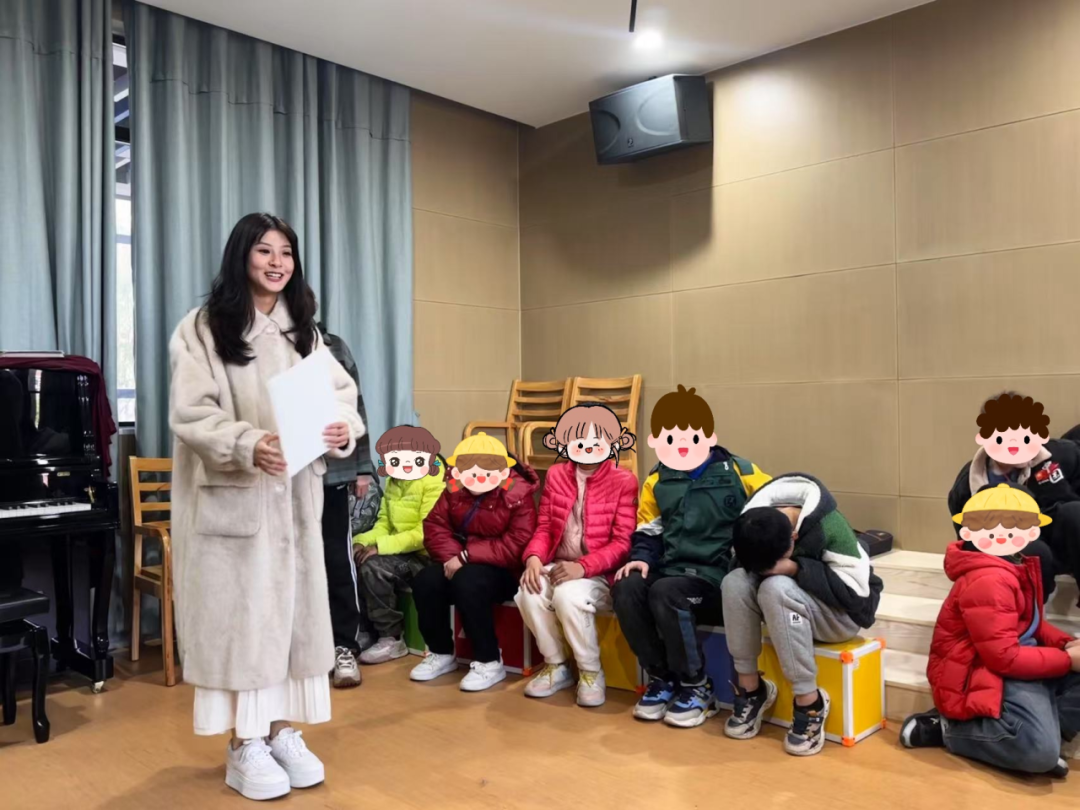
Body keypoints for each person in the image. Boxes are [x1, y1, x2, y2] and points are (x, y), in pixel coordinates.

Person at [169, 213, 364, 802]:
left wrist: (342, 429)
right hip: (236, 503)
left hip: (297, 503)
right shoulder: (203, 328)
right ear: (242, 257)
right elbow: (191, 414)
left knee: (292, 623)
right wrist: (248, 444)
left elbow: (343, 397)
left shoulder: (304, 333)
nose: (277, 263)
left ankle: (281, 732)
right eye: (264, 251)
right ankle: (243, 744)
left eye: (286, 252)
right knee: (244, 626)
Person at [612, 384, 771, 728]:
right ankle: (661, 678)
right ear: (656, 440)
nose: (681, 444)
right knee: (626, 586)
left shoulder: (741, 472)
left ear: (708, 436)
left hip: (716, 579)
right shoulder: (657, 479)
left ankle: (697, 685)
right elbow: (649, 530)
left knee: (667, 592)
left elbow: (773, 514)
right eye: (670, 437)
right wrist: (641, 557)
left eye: (690, 435)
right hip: (672, 571)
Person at [901, 483, 1080, 777]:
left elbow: (1030, 623)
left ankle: (1035, 736)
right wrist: (1066, 660)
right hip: (984, 671)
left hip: (1019, 659)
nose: (1005, 533)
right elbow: (1003, 657)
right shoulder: (990, 579)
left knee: (1042, 745)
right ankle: (950, 730)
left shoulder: (1016, 562)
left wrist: (1066, 644)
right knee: (1039, 755)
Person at [721, 473, 883, 756]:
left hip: (840, 615)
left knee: (775, 586)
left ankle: (809, 702)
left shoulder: (830, 527)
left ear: (793, 538)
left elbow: (857, 597)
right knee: (734, 581)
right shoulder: (750, 522)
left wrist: (796, 568)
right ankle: (751, 689)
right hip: (789, 611)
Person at [515, 404, 638, 707]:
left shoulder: (624, 480)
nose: (588, 447)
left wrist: (582, 567)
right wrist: (533, 557)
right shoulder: (557, 474)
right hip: (559, 564)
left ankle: (590, 671)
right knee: (528, 591)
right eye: (579, 441)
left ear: (612, 442)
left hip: (600, 572)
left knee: (568, 595)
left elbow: (623, 543)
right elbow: (545, 526)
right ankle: (556, 665)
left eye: (597, 441)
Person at [408, 432, 539, 691]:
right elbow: (435, 526)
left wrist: (465, 557)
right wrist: (452, 557)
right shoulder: (454, 489)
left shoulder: (517, 494)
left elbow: (517, 543)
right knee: (426, 580)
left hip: (504, 570)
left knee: (468, 582)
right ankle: (441, 652)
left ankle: (489, 660)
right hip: (459, 559)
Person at [948, 392, 1080, 602]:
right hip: (1014, 546)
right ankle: (1032, 611)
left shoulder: (1059, 454)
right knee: (1033, 550)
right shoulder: (968, 485)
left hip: (1055, 536)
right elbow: (968, 542)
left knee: (1074, 512)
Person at [354, 426, 446, 666]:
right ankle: (364, 630)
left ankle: (392, 638)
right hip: (400, 550)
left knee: (373, 567)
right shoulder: (395, 480)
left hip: (425, 555)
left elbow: (425, 533)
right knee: (352, 559)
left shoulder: (434, 479)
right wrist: (360, 542)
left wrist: (381, 546)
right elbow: (384, 523)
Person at [317, 324, 376, 689]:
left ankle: (345, 647)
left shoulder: (333, 346)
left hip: (332, 474)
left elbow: (356, 407)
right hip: (281, 479)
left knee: (337, 561)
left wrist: (362, 467)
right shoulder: (261, 340)